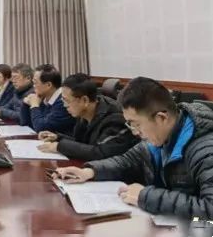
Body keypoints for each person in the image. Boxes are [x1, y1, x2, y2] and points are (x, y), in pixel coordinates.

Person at [54, 77, 213, 219]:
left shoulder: (205, 149)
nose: (135, 132)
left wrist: (146, 197)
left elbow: (210, 210)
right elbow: (126, 160)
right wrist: (89, 172)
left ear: (161, 118)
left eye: (136, 124)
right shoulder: (162, 137)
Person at [37, 73, 138, 160]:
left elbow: (101, 152)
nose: (64, 105)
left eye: (66, 100)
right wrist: (58, 138)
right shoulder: (85, 112)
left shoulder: (115, 118)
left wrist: (59, 146)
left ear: (85, 100)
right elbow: (83, 143)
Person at [19, 64, 75, 134]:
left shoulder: (62, 102)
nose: (33, 87)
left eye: (35, 83)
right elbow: (25, 125)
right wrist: (25, 104)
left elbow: (41, 128)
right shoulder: (43, 97)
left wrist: (34, 105)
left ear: (48, 85)